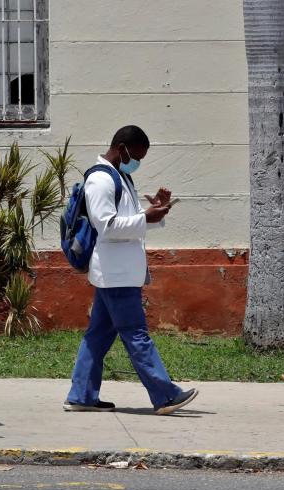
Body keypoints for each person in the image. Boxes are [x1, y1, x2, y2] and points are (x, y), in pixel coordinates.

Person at [64, 125, 199, 415]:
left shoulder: (120, 177)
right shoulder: (101, 180)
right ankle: (165, 395)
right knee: (136, 335)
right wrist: (145, 218)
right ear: (122, 147)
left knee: (98, 336)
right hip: (116, 274)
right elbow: (107, 226)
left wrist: (155, 213)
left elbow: (126, 221)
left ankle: (81, 395)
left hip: (120, 271)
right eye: (136, 155)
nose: (137, 162)